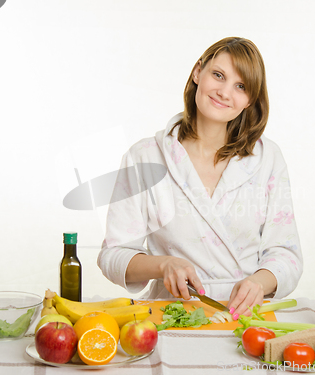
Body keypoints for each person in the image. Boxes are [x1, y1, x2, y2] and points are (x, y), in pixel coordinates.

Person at [97, 37, 302, 319]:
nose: (224, 92)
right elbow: (113, 254)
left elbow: (286, 253)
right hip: (171, 315)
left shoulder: (267, 158)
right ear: (198, 72)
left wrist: (259, 282)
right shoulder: (144, 157)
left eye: (240, 86)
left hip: (245, 317)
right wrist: (163, 265)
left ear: (249, 100)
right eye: (218, 75)